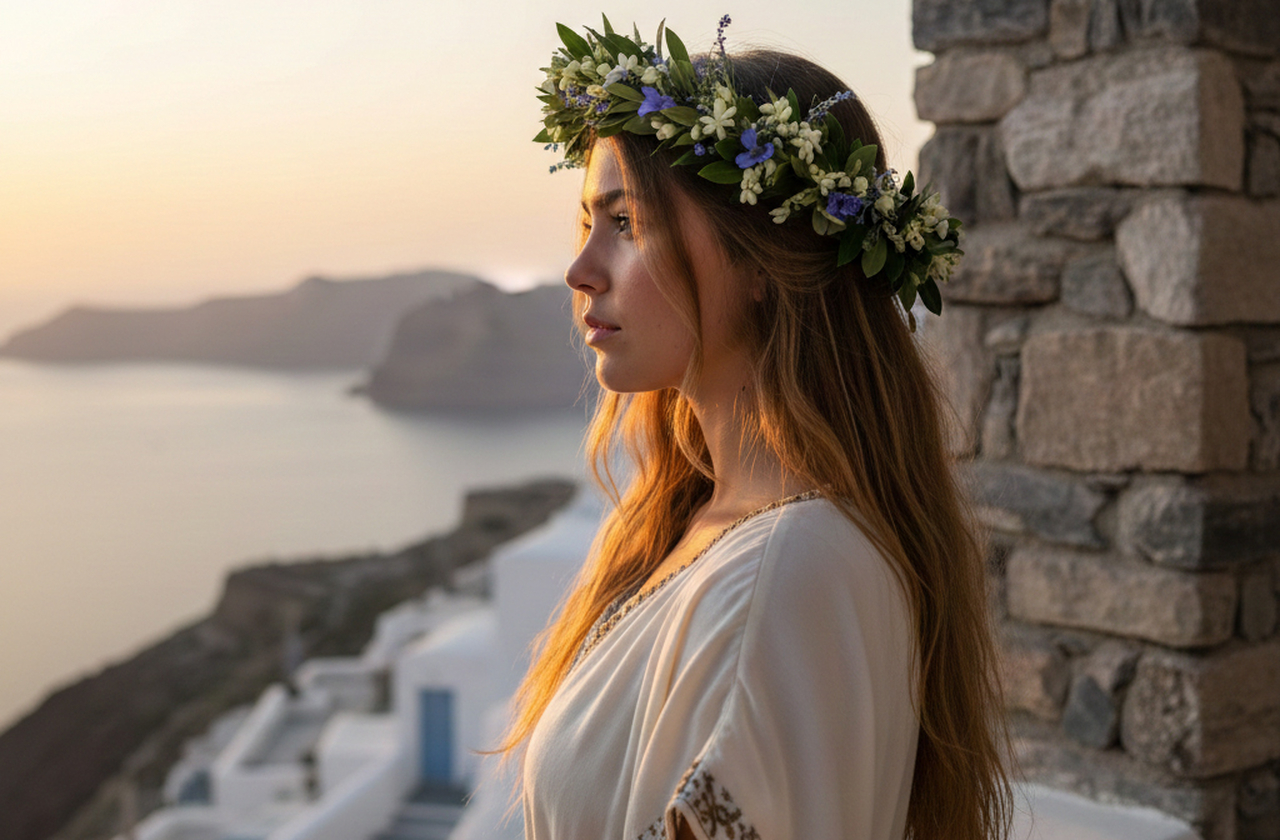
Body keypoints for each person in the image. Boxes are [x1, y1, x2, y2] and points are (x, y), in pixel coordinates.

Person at [500, 16, 1011, 840]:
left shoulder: (784, 574)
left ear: (761, 260)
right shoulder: (702, 525)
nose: (581, 269)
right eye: (588, 224)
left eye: (626, 224)